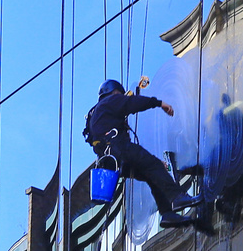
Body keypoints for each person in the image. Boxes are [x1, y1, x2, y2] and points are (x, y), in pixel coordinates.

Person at [84, 79, 203, 229]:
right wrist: (159, 103)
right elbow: (132, 103)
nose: (121, 97)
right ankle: (178, 197)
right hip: (119, 148)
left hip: (110, 161)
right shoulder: (111, 101)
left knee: (151, 175)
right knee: (153, 165)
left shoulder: (95, 113)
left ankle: (167, 214)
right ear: (114, 92)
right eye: (120, 94)